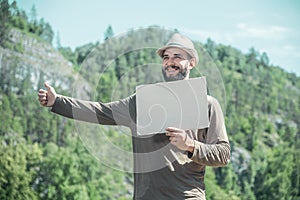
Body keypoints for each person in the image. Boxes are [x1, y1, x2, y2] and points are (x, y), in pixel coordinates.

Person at [38, 33, 230, 200]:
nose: (170, 62)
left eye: (177, 57)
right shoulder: (142, 102)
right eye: (166, 57)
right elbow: (100, 111)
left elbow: (223, 154)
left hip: (188, 197)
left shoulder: (207, 104)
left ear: (192, 63)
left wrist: (189, 144)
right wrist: (57, 102)